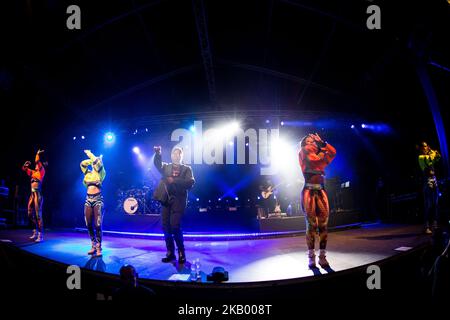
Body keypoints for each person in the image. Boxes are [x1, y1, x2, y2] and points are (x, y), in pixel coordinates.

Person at [298, 133, 336, 268]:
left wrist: (323, 144)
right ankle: (311, 256)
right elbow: (317, 160)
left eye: (312, 141)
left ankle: (322, 256)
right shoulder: (303, 152)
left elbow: (333, 152)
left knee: (324, 226)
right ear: (304, 144)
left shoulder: (318, 153)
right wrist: (321, 151)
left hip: (321, 191)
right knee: (311, 225)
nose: (311, 143)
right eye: (308, 141)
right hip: (308, 192)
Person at [153, 146, 195, 264]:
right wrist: (158, 154)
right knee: (166, 227)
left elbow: (190, 183)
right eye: (174, 154)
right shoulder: (166, 167)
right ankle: (170, 253)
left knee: (175, 226)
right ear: (171, 155)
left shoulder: (187, 169)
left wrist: (174, 180)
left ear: (181, 156)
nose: (176, 156)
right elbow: (157, 164)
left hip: (178, 201)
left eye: (178, 154)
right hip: (166, 200)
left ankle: (181, 252)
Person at [80, 150, 106, 256]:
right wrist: (91, 160)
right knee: (88, 223)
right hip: (88, 199)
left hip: (97, 199)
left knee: (98, 224)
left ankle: (99, 246)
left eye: (97, 162)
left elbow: (96, 162)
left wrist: (91, 155)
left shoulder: (101, 172)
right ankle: (93, 244)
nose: (96, 163)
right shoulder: (88, 174)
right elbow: (82, 163)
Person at [22, 149, 46, 242]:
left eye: (38, 164)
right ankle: (35, 231)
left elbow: (37, 161)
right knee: (29, 213)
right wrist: (25, 164)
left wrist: (37, 154)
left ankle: (40, 235)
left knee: (38, 215)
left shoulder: (42, 171)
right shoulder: (33, 172)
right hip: (32, 194)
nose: (36, 165)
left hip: (38, 194)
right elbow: (24, 169)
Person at [417, 141, 441, 234]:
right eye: (424, 147)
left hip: (434, 181)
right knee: (428, 205)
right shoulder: (421, 157)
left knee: (435, 204)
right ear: (421, 148)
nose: (425, 148)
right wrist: (432, 152)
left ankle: (435, 224)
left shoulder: (428, 155)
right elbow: (429, 160)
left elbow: (438, 158)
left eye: (426, 146)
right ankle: (426, 226)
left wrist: (436, 153)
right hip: (427, 182)